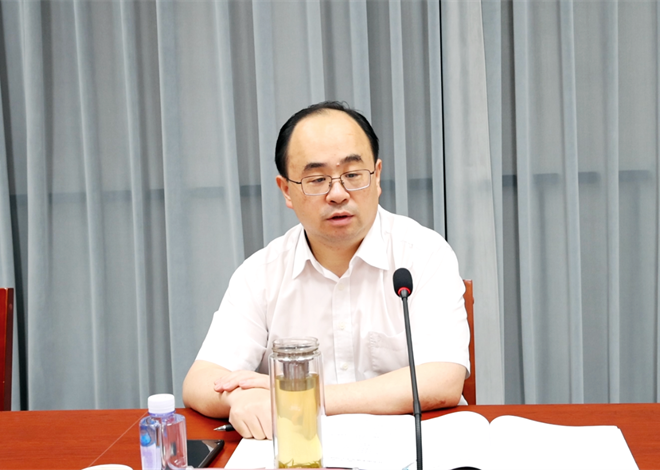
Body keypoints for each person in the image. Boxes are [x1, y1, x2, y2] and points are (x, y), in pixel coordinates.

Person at [183, 101, 469, 440]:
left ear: (377, 176)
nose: (337, 194)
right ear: (287, 190)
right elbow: (201, 379)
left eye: (353, 175)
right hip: (300, 451)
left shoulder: (423, 254)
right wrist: (240, 398)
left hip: (411, 449)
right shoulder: (261, 273)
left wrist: (296, 398)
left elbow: (443, 380)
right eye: (317, 179)